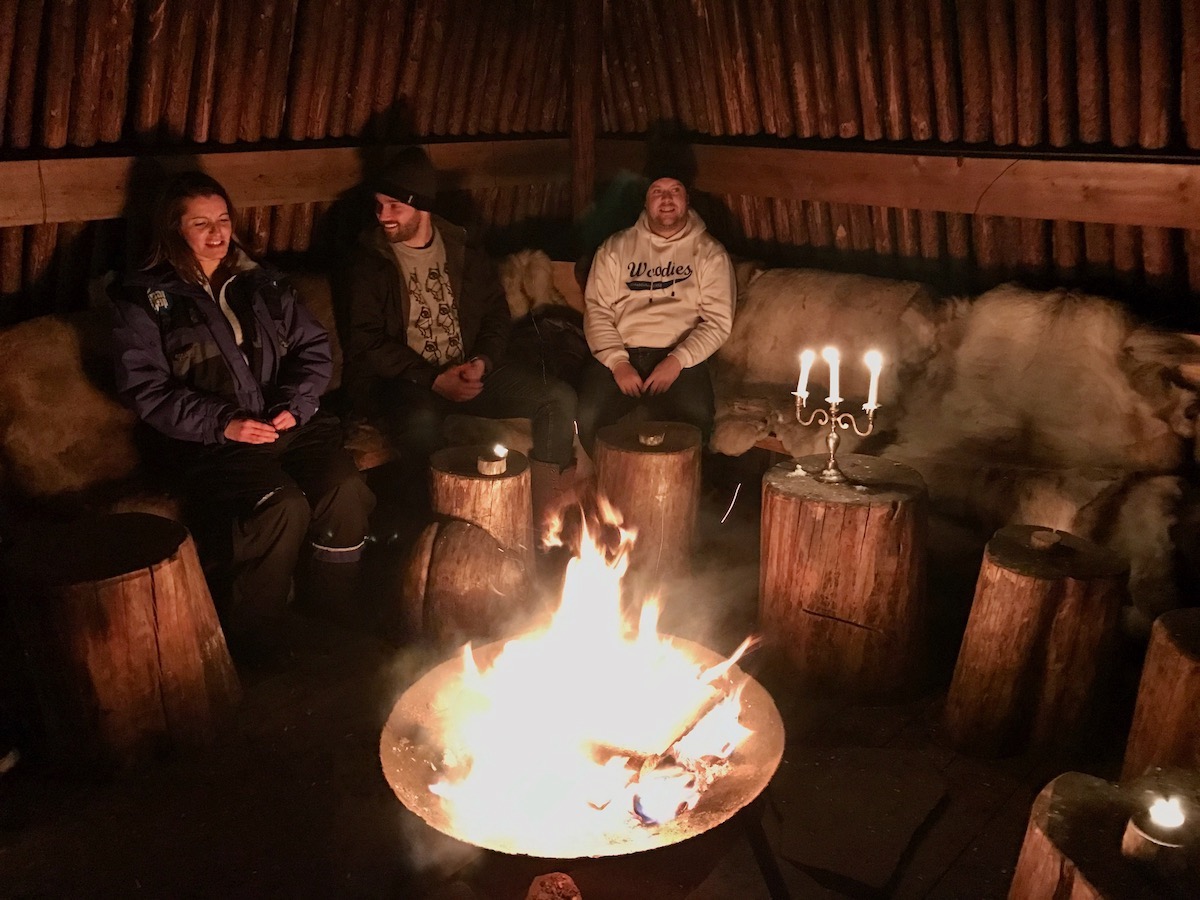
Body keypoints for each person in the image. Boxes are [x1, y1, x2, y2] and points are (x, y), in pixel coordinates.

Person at [111, 172, 375, 655]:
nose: (217, 233)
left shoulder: (262, 281)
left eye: (223, 219)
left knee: (344, 486)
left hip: (286, 423)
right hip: (209, 440)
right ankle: (257, 636)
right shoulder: (147, 300)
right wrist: (222, 422)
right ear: (173, 230)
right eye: (200, 223)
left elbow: (314, 348)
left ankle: (333, 605)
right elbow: (144, 388)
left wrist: (296, 407)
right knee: (279, 506)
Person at [345, 147, 578, 519]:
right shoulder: (370, 260)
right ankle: (435, 529)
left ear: (421, 205)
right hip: (409, 381)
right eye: (378, 204)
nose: (382, 215)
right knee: (421, 424)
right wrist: (434, 379)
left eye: (394, 206)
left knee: (557, 398)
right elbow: (365, 339)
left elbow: (496, 315)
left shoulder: (464, 251)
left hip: (468, 369)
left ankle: (548, 518)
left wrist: (482, 361)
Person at [577, 170, 735, 452]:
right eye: (657, 191)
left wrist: (677, 361)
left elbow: (718, 322)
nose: (666, 199)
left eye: (675, 190)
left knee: (696, 425)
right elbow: (597, 310)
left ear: (687, 200)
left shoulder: (710, 252)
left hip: (678, 356)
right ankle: (608, 489)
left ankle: (683, 492)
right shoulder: (615, 249)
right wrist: (617, 362)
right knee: (589, 417)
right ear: (645, 201)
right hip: (622, 352)